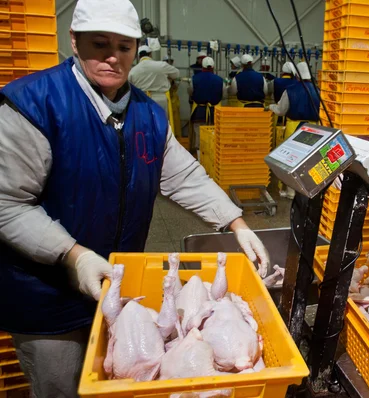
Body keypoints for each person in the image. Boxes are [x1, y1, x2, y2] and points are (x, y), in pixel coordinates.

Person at [0, 1, 270, 396]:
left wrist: (236, 222)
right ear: (73, 41)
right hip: (46, 295)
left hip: (117, 284)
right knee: (62, 386)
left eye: (124, 47)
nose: (113, 57)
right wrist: (74, 254)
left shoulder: (146, 112)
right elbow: (7, 204)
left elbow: (184, 175)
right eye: (100, 44)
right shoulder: (33, 105)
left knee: (121, 379)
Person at [270, 62, 320, 199]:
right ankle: (308, 189)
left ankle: (291, 192)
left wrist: (271, 107)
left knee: (290, 159)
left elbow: (281, 111)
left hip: (294, 128)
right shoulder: (318, 91)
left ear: (296, 75)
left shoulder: (290, 91)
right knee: (308, 159)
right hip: (314, 129)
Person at [128, 44, 180, 113]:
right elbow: (176, 74)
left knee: (145, 122)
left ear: (139, 56)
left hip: (141, 100)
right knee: (161, 121)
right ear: (150, 54)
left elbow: (129, 86)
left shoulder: (133, 71)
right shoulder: (161, 65)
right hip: (160, 99)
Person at [189, 56, 227, 124]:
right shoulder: (220, 80)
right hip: (215, 112)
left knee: (199, 133)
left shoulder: (194, 79)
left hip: (199, 112)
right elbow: (224, 96)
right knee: (214, 133)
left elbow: (190, 92)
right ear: (213, 67)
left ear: (202, 67)